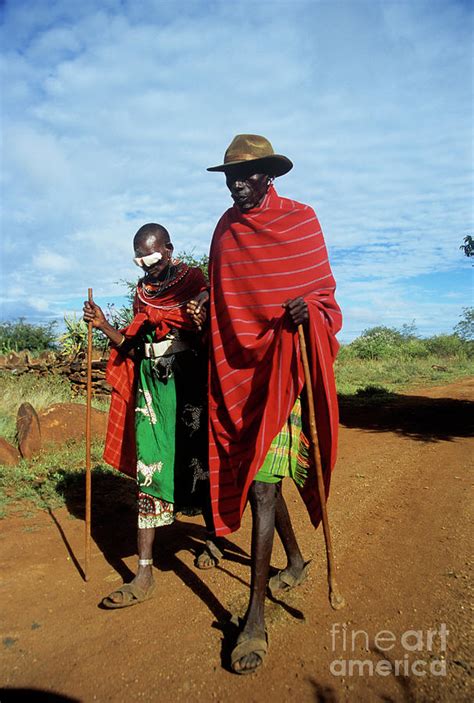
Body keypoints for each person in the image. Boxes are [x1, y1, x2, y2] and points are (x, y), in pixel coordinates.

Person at [192, 135, 342, 673]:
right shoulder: (224, 230)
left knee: (263, 483)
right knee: (260, 472)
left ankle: (253, 618)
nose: (236, 184)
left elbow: (326, 297)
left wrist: (311, 313)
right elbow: (225, 295)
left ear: (268, 176)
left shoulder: (301, 221)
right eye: (230, 176)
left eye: (246, 175)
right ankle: (296, 559)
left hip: (284, 367)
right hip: (240, 370)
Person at [83, 222, 213, 608]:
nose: (145, 266)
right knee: (149, 469)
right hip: (153, 390)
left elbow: (209, 332)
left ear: (169, 250)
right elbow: (134, 343)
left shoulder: (194, 280)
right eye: (138, 259)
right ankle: (143, 572)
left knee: (197, 463)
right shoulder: (143, 292)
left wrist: (202, 316)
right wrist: (104, 324)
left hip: (190, 387)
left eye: (152, 258)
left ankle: (213, 537)